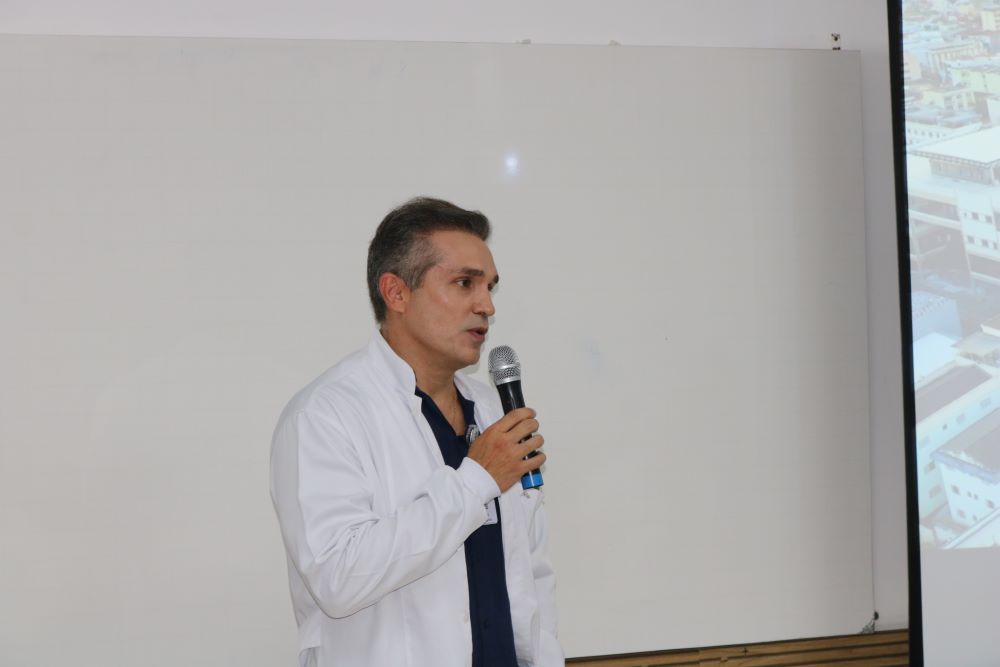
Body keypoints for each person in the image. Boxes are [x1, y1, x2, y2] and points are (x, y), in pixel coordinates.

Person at [270, 197, 563, 667]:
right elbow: (337, 579)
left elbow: (532, 571)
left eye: (489, 287)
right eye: (465, 283)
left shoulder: (492, 409)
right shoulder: (324, 415)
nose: (487, 306)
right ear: (397, 293)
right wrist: (475, 482)